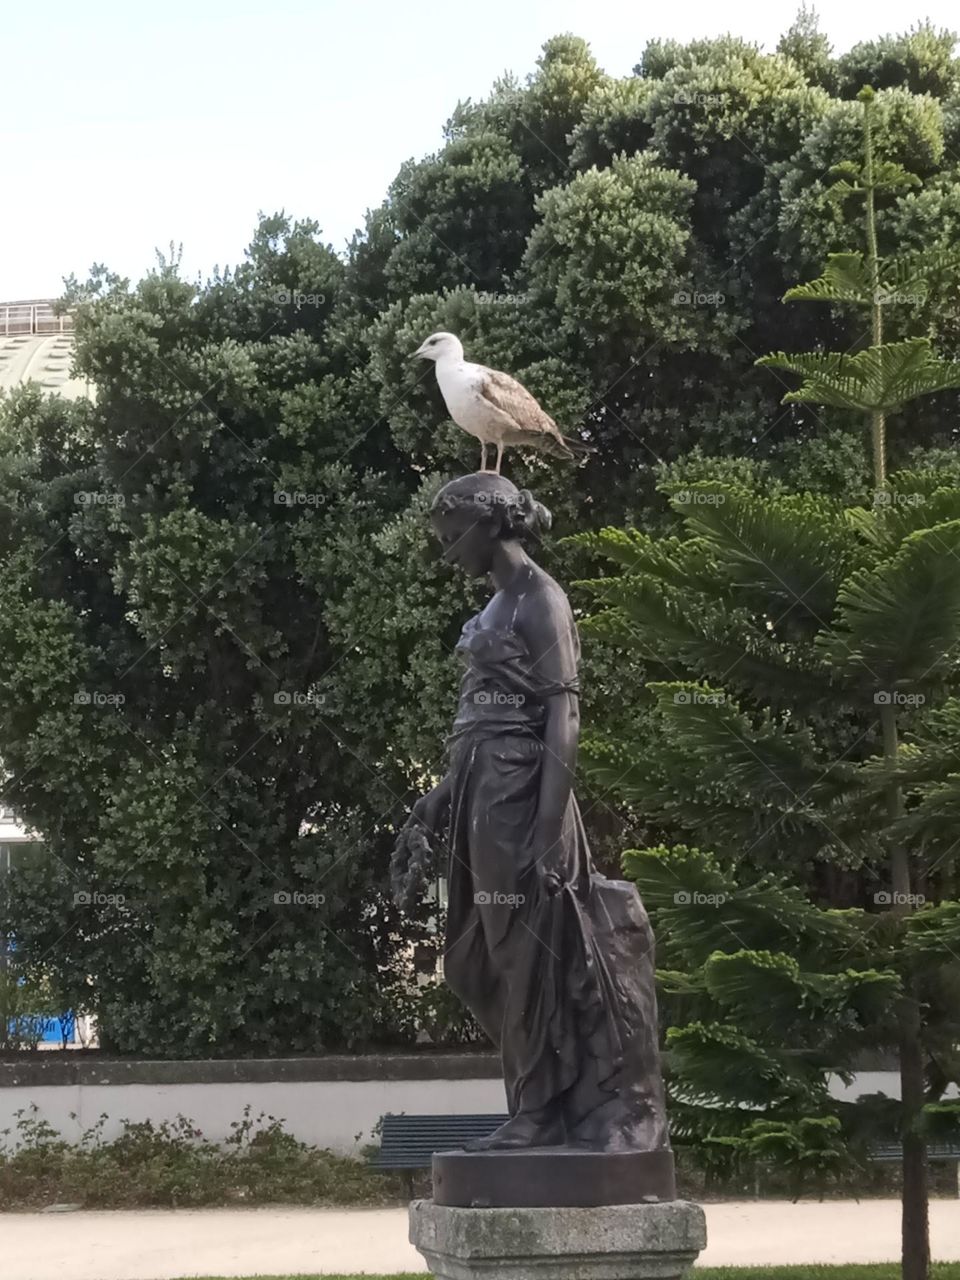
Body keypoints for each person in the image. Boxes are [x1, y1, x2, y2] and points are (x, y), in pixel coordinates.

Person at [393, 471, 669, 1153]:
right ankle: (536, 1101)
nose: (448, 551)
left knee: (522, 954)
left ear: (489, 525)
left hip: (520, 798)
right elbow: (478, 719)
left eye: (451, 536)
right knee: (480, 957)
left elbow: (563, 713)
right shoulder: (496, 605)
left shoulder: (540, 598)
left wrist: (547, 832)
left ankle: (541, 1110)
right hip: (482, 794)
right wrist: (440, 796)